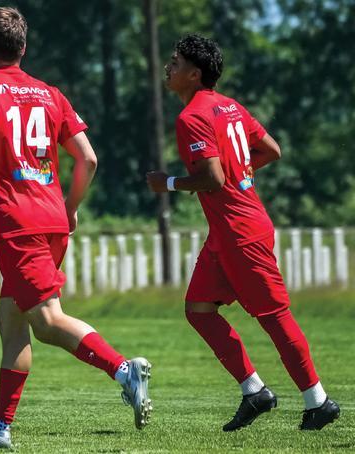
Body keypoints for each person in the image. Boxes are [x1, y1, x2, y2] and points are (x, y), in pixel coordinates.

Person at [0, 6, 152, 449]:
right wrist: (71, 206)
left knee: (45, 321)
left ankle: (124, 369)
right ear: (23, 48)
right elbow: (89, 158)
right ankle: (0, 426)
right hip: (51, 218)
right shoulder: (50, 93)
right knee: (10, 317)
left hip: (16, 220)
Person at [147, 33, 339, 431]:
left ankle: (317, 401)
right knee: (198, 310)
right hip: (228, 232)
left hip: (241, 233)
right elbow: (272, 150)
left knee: (274, 317)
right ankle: (255, 392)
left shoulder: (191, 117)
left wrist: (167, 184)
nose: (169, 67)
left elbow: (213, 179)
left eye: (176, 62)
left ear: (194, 74)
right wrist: (241, 172)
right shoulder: (230, 106)